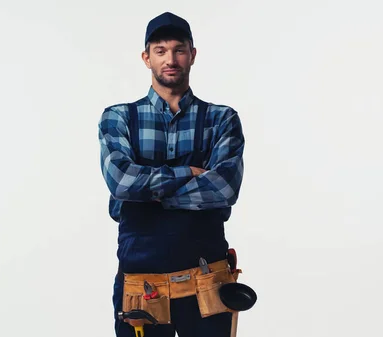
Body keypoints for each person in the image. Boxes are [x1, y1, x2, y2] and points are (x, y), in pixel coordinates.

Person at [98, 11, 246, 337]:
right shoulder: (119, 118)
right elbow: (121, 181)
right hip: (141, 283)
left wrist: (148, 193)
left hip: (208, 280)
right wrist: (189, 173)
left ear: (192, 55)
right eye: (160, 50)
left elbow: (224, 188)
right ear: (146, 58)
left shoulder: (221, 120)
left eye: (179, 50)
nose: (171, 59)